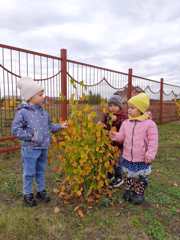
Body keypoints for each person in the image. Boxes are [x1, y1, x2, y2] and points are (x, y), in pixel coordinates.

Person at [12, 77, 67, 207]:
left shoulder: (44, 112)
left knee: (41, 170)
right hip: (30, 148)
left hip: (43, 147)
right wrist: (31, 136)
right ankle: (27, 194)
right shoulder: (23, 112)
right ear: (30, 96)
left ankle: (41, 191)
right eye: (40, 95)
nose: (43, 97)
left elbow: (49, 126)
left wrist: (60, 126)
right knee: (29, 172)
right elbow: (15, 130)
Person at [110, 93, 158, 204]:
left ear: (140, 109)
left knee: (140, 177)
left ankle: (138, 193)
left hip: (141, 158)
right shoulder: (126, 123)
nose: (129, 110)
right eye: (129, 108)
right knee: (128, 175)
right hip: (127, 157)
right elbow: (122, 136)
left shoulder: (149, 124)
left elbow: (153, 142)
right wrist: (115, 135)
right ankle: (129, 190)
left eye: (132, 108)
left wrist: (150, 154)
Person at [100, 94, 127, 188]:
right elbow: (104, 125)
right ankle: (110, 175)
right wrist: (102, 124)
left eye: (115, 106)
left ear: (119, 106)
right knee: (109, 160)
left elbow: (123, 127)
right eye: (110, 106)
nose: (112, 108)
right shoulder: (107, 115)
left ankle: (119, 178)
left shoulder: (123, 117)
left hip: (118, 144)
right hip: (109, 143)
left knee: (117, 162)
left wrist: (117, 120)